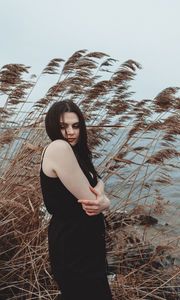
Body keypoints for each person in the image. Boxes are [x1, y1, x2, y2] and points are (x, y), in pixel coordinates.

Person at [40, 100, 113, 300]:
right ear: (52, 126)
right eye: (63, 127)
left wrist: (103, 195)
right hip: (73, 245)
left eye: (75, 125)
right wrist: (104, 202)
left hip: (84, 241)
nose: (70, 132)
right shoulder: (59, 148)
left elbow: (97, 180)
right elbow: (92, 201)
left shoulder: (75, 153)